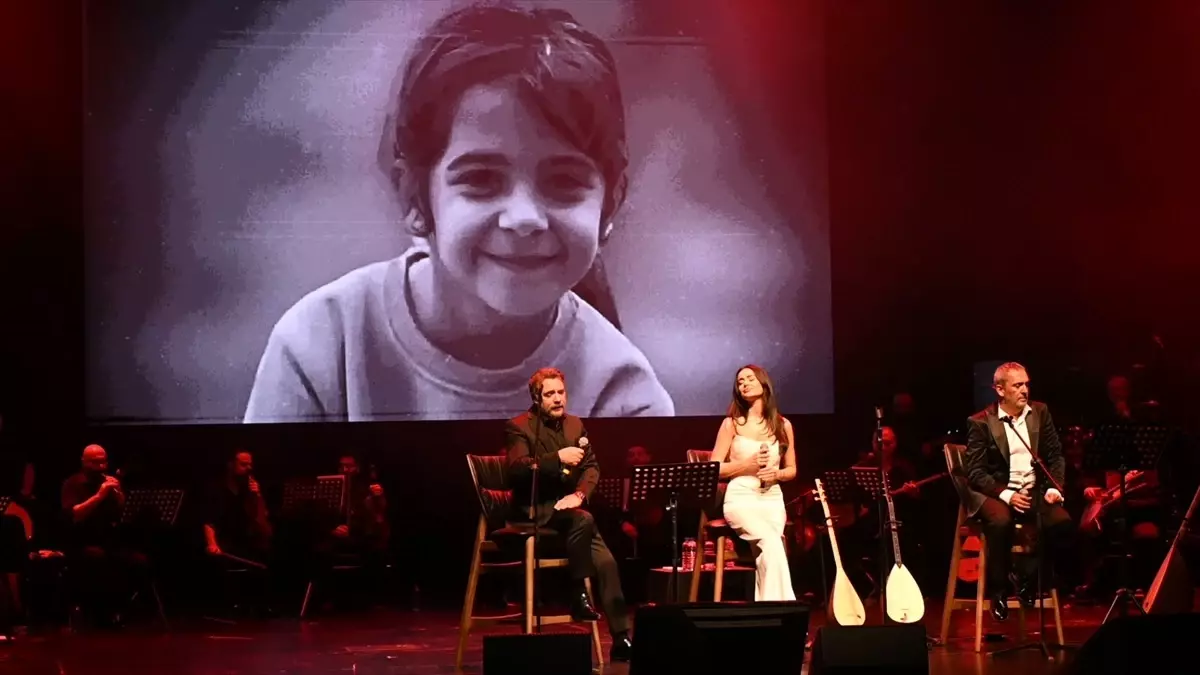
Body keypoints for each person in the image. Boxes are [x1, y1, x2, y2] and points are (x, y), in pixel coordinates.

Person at [243, 3, 674, 423]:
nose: (523, 218)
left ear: (610, 203)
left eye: (563, 182)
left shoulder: (624, 398)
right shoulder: (321, 345)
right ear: (414, 196)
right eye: (481, 179)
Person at [505, 367, 631, 661]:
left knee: (608, 563)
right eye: (550, 394)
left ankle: (622, 638)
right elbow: (517, 469)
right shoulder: (519, 426)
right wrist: (555, 459)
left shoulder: (575, 425)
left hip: (571, 514)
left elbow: (591, 467)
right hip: (536, 514)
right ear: (537, 398)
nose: (558, 398)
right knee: (585, 520)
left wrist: (579, 494)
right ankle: (577, 592)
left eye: (561, 392)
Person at [964, 362, 1073, 621]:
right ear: (1000, 390)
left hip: (1034, 489)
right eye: (1017, 385)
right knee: (1001, 521)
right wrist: (1007, 494)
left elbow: (1055, 455)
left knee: (1062, 524)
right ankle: (999, 590)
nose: (1025, 390)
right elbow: (976, 473)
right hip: (997, 490)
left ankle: (1029, 579)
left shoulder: (1039, 412)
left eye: (1026, 384)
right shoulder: (980, 423)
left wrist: (1054, 488)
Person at [709, 365, 797, 601]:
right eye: (739, 381)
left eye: (749, 378)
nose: (744, 383)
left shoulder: (783, 425)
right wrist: (746, 466)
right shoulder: (731, 424)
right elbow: (714, 468)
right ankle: (782, 611)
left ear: (763, 383)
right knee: (771, 542)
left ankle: (769, 611)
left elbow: (791, 470)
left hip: (771, 498)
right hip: (741, 497)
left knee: (771, 547)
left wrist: (775, 475)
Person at [60, 444, 147, 626]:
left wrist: (120, 498)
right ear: (84, 462)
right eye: (95, 463)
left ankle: (124, 610)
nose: (101, 467)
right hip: (81, 542)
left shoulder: (108, 481)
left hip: (109, 541)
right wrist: (100, 495)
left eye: (103, 462)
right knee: (99, 560)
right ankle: (99, 614)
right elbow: (74, 515)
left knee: (139, 561)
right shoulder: (72, 484)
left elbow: (121, 516)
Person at [203, 450, 272, 565]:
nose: (249, 468)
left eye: (250, 464)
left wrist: (258, 496)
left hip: (248, 547)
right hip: (225, 547)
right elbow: (209, 522)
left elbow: (263, 523)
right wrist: (212, 544)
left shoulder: (250, 490)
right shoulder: (217, 490)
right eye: (243, 464)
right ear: (231, 465)